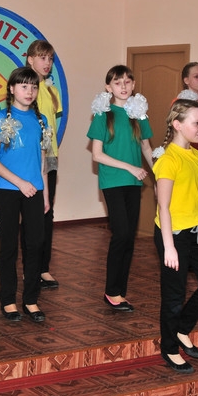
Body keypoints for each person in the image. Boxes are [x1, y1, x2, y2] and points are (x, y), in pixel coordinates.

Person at [153, 98, 198, 373]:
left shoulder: (197, 158)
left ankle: (182, 328)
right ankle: (170, 348)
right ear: (177, 125)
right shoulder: (168, 160)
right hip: (172, 234)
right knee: (174, 295)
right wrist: (169, 247)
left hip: (197, 233)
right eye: (196, 123)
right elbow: (163, 206)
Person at [87, 65, 154, 312]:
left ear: (133, 84)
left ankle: (119, 292)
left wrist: (160, 176)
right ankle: (112, 291)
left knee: (129, 237)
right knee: (121, 233)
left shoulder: (139, 113)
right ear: (109, 87)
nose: (123, 86)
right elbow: (97, 155)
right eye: (117, 82)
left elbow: (146, 148)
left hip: (134, 182)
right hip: (113, 181)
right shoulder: (103, 114)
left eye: (127, 82)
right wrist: (129, 167)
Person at [0, 67, 51, 322]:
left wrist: (45, 195)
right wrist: (20, 182)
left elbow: (43, 162)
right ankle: (8, 299)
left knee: (35, 245)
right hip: (8, 190)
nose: (29, 91)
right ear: (12, 89)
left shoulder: (41, 120)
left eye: (33, 87)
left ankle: (31, 299)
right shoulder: (1, 119)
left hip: (35, 191)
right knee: (9, 246)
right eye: (24, 86)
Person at [26, 40, 63, 289]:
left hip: (49, 156)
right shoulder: (25, 88)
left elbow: (52, 125)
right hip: (28, 157)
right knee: (31, 214)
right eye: (42, 57)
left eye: (50, 58)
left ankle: (43, 268)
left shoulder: (52, 91)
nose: (46, 63)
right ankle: (29, 267)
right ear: (30, 60)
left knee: (47, 211)